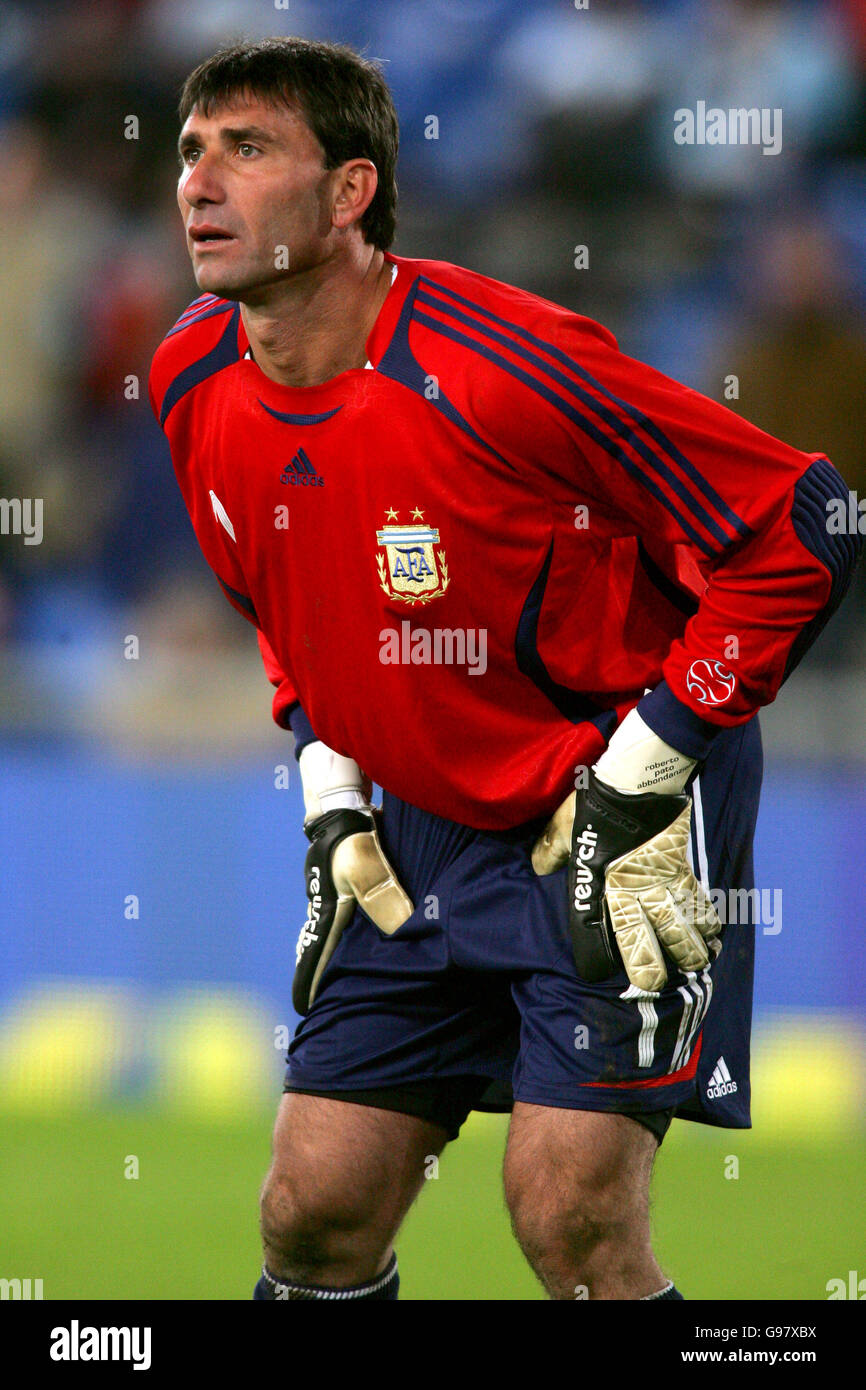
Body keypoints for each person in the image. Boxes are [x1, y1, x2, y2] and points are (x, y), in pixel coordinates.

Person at [148, 37, 861, 1301]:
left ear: (350, 191)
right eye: (192, 149)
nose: (198, 181)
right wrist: (329, 792)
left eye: (246, 149)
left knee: (570, 1217)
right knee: (314, 1208)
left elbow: (800, 522)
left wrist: (646, 773)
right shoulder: (188, 379)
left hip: (610, 791)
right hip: (415, 821)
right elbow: (293, 608)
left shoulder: (497, 360)